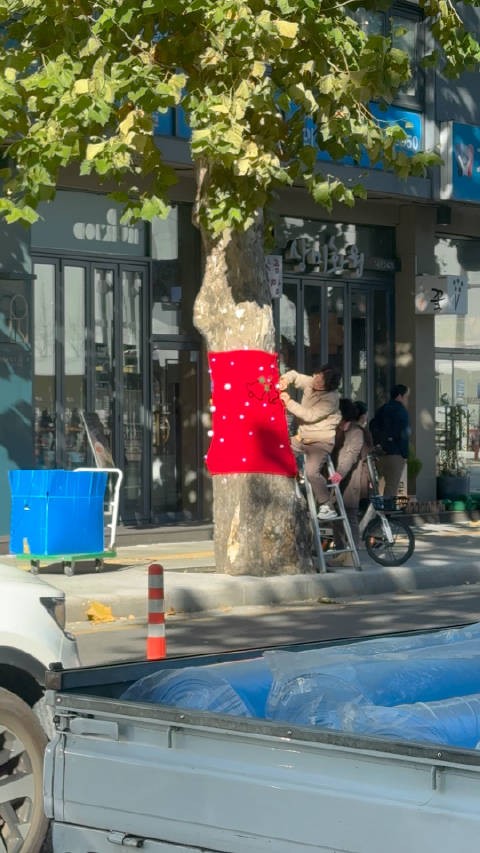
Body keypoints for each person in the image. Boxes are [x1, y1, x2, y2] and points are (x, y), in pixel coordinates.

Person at [278, 361, 341, 519]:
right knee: (279, 449)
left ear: (329, 384)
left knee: (311, 472)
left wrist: (288, 402)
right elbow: (296, 375)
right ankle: (294, 481)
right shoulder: (312, 382)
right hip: (303, 437)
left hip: (320, 441)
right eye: (316, 376)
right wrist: (285, 379)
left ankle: (327, 505)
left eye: (320, 380)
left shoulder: (331, 399)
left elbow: (309, 415)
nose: (316, 381)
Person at [328, 399, 372, 566]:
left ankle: (352, 554)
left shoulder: (356, 431)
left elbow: (351, 455)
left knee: (350, 514)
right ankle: (341, 552)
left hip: (351, 478)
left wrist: (338, 475)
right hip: (336, 477)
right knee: (336, 516)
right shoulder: (339, 429)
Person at [370, 384, 411, 497]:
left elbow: (372, 425)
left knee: (377, 485)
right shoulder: (401, 411)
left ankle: (374, 509)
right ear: (399, 396)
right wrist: (405, 454)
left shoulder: (382, 409)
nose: (407, 399)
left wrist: (378, 444)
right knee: (392, 486)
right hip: (395, 453)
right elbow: (403, 434)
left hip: (380, 453)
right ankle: (387, 513)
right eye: (406, 396)